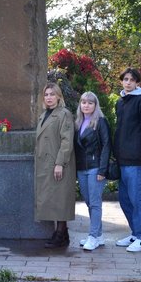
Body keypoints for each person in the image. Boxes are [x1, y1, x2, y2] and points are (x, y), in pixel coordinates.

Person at [113, 68, 141, 252]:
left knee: (137, 199)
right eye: (125, 79)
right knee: (125, 199)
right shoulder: (120, 102)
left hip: (135, 159)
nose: (128, 82)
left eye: (132, 80)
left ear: (137, 83)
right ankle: (134, 232)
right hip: (122, 159)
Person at [34, 82, 76, 248]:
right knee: (53, 198)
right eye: (46, 95)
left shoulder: (64, 114)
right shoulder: (43, 115)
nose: (49, 98)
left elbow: (67, 141)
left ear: (59, 96)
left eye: (52, 94)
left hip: (58, 163)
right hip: (45, 164)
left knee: (59, 199)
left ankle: (60, 234)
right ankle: (62, 233)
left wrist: (60, 163)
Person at [74, 91, 111, 251]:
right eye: (83, 102)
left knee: (95, 204)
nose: (86, 105)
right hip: (82, 168)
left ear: (95, 105)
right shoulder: (78, 123)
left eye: (90, 103)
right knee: (89, 203)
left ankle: (93, 236)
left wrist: (102, 170)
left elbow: (106, 146)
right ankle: (99, 235)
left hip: (96, 168)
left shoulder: (101, 122)